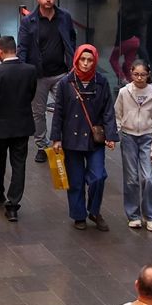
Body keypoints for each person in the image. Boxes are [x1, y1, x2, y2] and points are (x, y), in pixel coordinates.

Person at [51, 45, 117, 231]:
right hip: (71, 139)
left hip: (94, 139)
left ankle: (94, 211)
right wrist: (56, 138)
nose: (86, 63)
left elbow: (108, 110)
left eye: (90, 60)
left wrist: (110, 135)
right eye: (83, 59)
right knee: (76, 180)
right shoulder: (66, 83)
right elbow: (58, 112)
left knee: (98, 176)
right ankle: (79, 215)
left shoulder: (101, 82)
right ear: (77, 60)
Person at [18, 0, 77, 163]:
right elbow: (23, 47)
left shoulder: (64, 17)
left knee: (65, 109)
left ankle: (60, 142)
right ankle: (42, 146)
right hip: (38, 76)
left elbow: (71, 39)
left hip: (61, 73)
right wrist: (23, 72)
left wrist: (72, 62)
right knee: (38, 112)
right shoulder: (29, 21)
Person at [0, 36, 38, 221]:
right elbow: (31, 93)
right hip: (22, 124)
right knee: (19, 164)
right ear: (15, 49)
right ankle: (13, 204)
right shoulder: (30, 70)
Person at [116, 61, 152, 232]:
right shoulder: (124, 92)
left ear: (148, 75)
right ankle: (133, 215)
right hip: (128, 136)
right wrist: (114, 135)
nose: (139, 78)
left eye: (142, 75)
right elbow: (117, 114)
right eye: (136, 74)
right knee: (131, 178)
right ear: (131, 74)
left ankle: (150, 215)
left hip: (147, 137)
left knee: (148, 178)